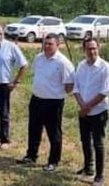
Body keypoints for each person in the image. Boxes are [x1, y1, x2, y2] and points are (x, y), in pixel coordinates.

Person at [16, 33, 74, 172]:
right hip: (36, 99)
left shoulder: (63, 62)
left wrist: (56, 93)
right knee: (34, 129)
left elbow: (69, 84)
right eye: (45, 43)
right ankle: (31, 156)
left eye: (50, 44)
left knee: (54, 133)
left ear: (57, 45)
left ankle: (53, 161)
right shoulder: (38, 58)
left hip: (53, 103)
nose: (47, 46)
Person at [73, 38, 109, 186]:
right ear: (84, 49)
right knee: (85, 140)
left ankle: (99, 175)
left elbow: (105, 91)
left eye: (94, 48)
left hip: (99, 111)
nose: (91, 51)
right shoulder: (81, 65)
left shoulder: (105, 67)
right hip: (84, 110)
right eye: (88, 49)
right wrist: (82, 105)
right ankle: (88, 167)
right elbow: (76, 87)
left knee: (98, 143)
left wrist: (88, 106)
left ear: (99, 48)